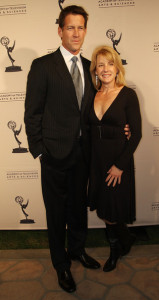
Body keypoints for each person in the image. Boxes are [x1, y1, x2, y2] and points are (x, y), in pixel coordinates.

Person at [24, 5, 101, 294]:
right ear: (60, 31)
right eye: (71, 27)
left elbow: (95, 111)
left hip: (83, 155)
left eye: (81, 27)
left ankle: (77, 250)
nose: (76, 33)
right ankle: (61, 264)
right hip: (53, 156)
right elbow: (32, 113)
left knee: (78, 208)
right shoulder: (43, 66)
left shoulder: (90, 66)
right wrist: (40, 151)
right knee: (56, 213)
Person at [88, 45, 142, 272]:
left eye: (110, 63)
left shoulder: (128, 94)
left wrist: (120, 166)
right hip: (97, 160)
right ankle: (125, 239)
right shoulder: (92, 95)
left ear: (117, 68)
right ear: (95, 71)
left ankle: (116, 249)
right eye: (100, 64)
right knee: (104, 208)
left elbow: (136, 134)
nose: (105, 68)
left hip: (118, 160)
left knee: (113, 210)